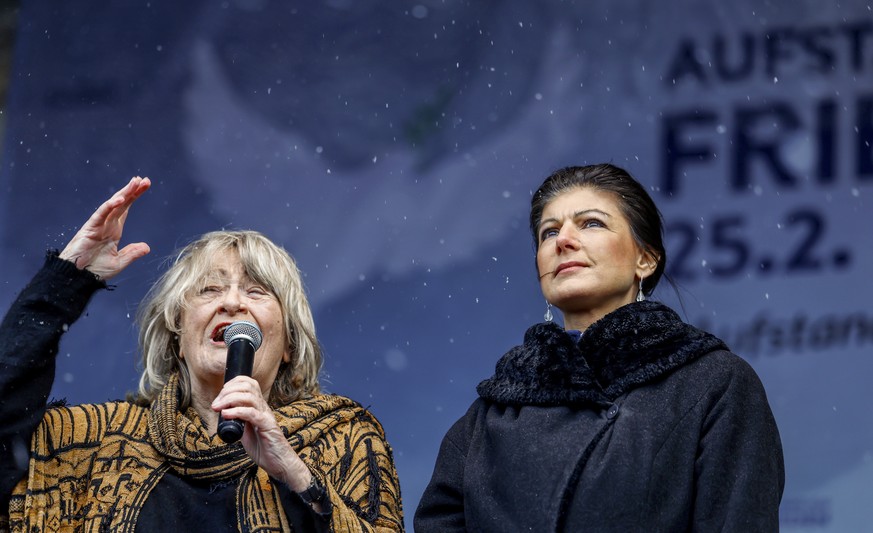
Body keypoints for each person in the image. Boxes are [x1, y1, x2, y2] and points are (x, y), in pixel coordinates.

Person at [0, 177, 404, 532]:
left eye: (256, 291)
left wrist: (295, 473)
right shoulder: (97, 443)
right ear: (177, 336)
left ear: (289, 347)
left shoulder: (344, 437)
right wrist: (66, 278)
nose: (231, 302)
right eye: (210, 289)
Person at [414, 163, 784, 532]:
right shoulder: (488, 415)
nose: (563, 241)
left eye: (592, 223)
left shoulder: (714, 384)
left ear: (646, 258)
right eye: (549, 232)